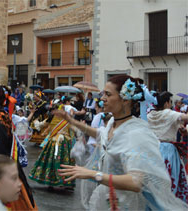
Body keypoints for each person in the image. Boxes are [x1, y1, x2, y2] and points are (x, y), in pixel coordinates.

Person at [56, 75, 188, 210]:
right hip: (108, 199)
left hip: (124, 204)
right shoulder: (113, 123)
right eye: (103, 94)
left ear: (125, 99)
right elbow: (101, 135)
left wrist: (93, 174)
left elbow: (136, 182)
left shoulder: (136, 133)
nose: (102, 99)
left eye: (108, 94)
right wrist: (71, 121)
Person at [29, 96, 78, 189]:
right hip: (65, 142)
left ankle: (51, 180)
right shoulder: (67, 118)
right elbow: (73, 130)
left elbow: (39, 126)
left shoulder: (51, 118)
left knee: (51, 161)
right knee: (65, 162)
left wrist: (35, 120)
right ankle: (66, 181)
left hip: (54, 141)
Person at [147, 92, 188, 203]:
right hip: (167, 150)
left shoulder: (150, 114)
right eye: (170, 102)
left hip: (153, 149)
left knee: (154, 182)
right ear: (166, 103)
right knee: (170, 180)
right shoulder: (169, 113)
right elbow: (185, 117)